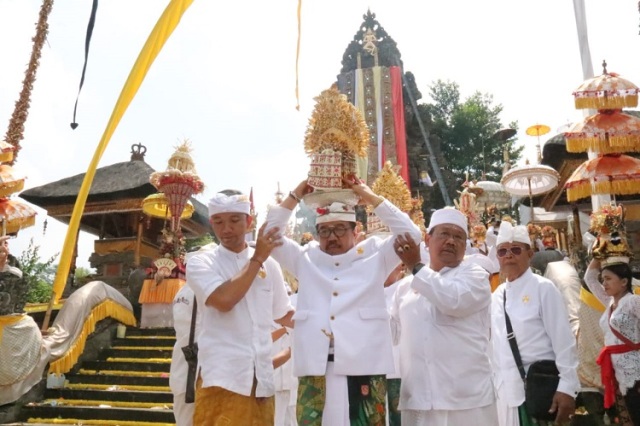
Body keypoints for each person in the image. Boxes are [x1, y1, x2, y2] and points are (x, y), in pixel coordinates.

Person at [265, 178, 422, 425]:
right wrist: (295, 195)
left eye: (340, 229)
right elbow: (268, 235)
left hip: (364, 366)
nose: (332, 237)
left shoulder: (375, 255)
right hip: (315, 369)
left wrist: (369, 195)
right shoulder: (306, 258)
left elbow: (411, 235)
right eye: (325, 231)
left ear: (355, 231)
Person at [186, 190, 294, 425]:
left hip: (262, 382)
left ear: (249, 222)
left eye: (234, 220)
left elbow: (284, 314)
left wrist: (329, 326)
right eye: (218, 222)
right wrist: (257, 259)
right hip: (223, 378)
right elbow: (224, 301)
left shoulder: (271, 265)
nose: (226, 229)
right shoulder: (200, 262)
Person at [391, 208, 497, 425]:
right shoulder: (403, 288)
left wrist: (415, 266)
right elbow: (388, 334)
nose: (451, 241)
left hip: (466, 403)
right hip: (418, 401)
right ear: (428, 240)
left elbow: (452, 300)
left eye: (458, 236)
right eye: (444, 234)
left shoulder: (474, 276)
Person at [491, 221, 579, 426]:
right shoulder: (497, 296)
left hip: (541, 390)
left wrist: (567, 387)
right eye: (502, 251)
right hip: (506, 395)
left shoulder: (543, 288)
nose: (508, 255)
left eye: (515, 249)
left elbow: (564, 342)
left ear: (530, 254)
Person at [585, 259, 640, 425]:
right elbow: (590, 278)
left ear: (624, 282)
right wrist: (598, 254)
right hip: (616, 370)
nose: (604, 283)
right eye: (603, 279)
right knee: (626, 416)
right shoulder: (610, 302)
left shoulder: (633, 301)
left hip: (635, 369)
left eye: (608, 279)